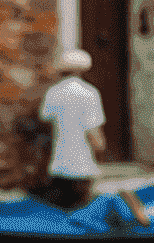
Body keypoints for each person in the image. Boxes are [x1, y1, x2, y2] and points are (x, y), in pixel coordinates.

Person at [35, 50, 105, 209]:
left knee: (61, 210)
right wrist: (101, 152)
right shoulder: (90, 93)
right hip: (82, 166)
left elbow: (44, 118)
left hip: (59, 165)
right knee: (81, 209)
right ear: (82, 70)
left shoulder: (53, 92)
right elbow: (94, 132)